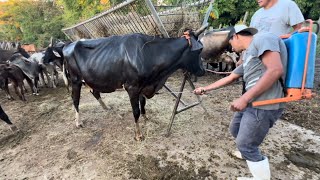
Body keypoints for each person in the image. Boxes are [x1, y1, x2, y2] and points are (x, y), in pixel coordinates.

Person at [194, 24, 287, 179]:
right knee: (235, 130)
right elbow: (231, 77)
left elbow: (275, 70)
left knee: (245, 144)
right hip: (252, 101)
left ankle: (259, 173)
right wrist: (205, 88)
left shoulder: (263, 38)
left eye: (230, 43)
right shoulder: (250, 54)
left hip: (264, 103)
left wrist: (244, 98)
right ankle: (248, 153)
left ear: (236, 36)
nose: (231, 48)